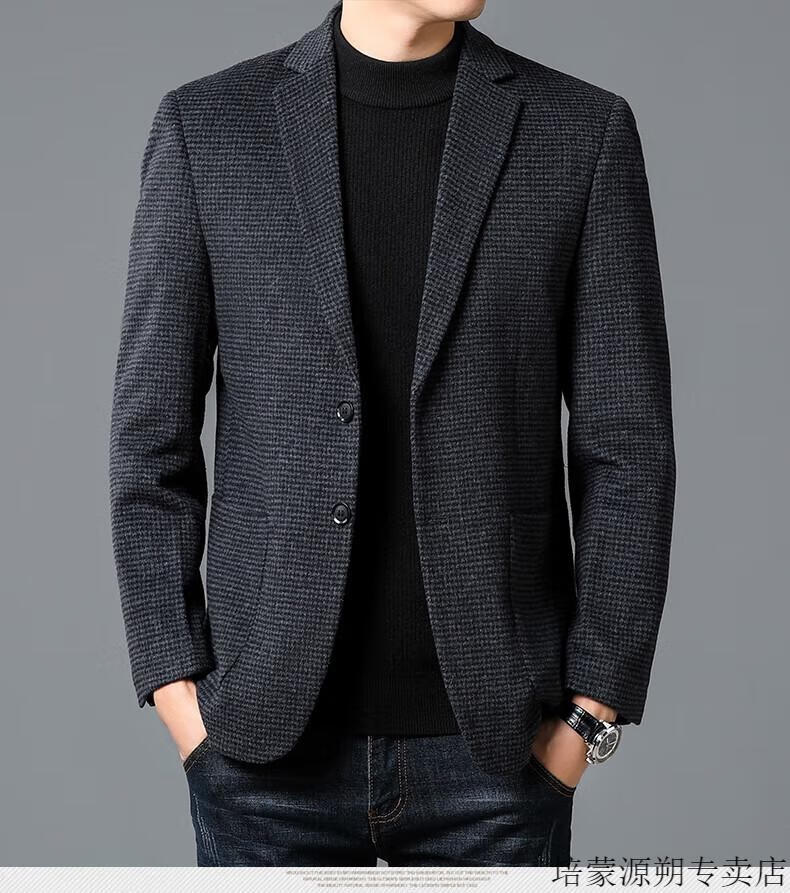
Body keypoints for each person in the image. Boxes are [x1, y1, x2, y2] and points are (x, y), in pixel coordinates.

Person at [109, 0, 675, 867]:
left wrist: (587, 715)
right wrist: (180, 695)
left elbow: (628, 448)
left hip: (499, 759)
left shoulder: (579, 131)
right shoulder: (210, 127)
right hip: (262, 755)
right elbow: (150, 438)